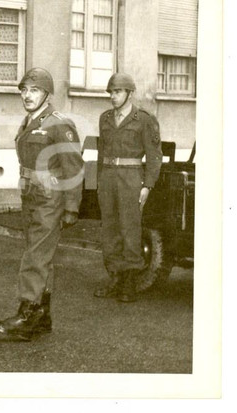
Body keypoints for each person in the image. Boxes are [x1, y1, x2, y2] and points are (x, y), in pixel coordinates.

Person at [0, 67, 84, 341]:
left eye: (35, 90)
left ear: (47, 94)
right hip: (31, 196)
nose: (27, 96)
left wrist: (71, 207)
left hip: (49, 199)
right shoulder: (30, 121)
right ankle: (42, 317)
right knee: (40, 255)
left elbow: (73, 167)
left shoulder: (58, 124)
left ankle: (26, 313)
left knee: (35, 257)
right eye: (24, 90)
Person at [93, 72, 162, 303]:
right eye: (111, 92)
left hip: (131, 179)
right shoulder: (105, 118)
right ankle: (114, 277)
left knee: (130, 228)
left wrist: (147, 185)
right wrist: (100, 180)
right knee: (110, 229)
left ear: (129, 93)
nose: (113, 97)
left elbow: (154, 156)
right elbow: (102, 151)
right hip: (108, 178)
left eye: (118, 92)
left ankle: (129, 281)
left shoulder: (144, 119)